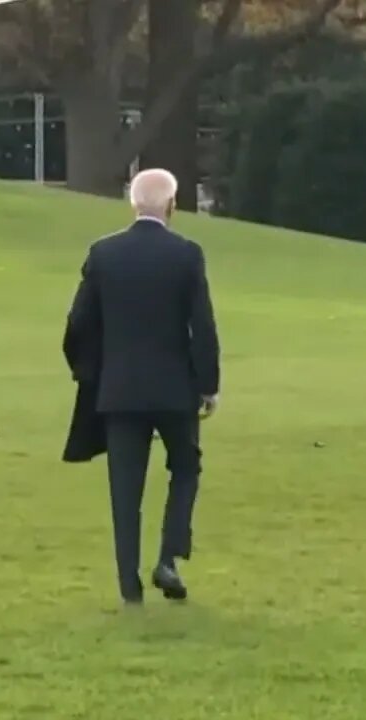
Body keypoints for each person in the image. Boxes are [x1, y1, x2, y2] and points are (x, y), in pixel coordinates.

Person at [61, 168, 221, 605]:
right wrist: (208, 385)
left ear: (133, 204)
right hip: (174, 390)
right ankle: (169, 557)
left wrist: (89, 371)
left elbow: (78, 322)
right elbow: (202, 326)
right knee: (185, 467)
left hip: (120, 390)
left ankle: (128, 586)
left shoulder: (103, 253)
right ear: (172, 206)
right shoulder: (187, 254)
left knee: (124, 488)